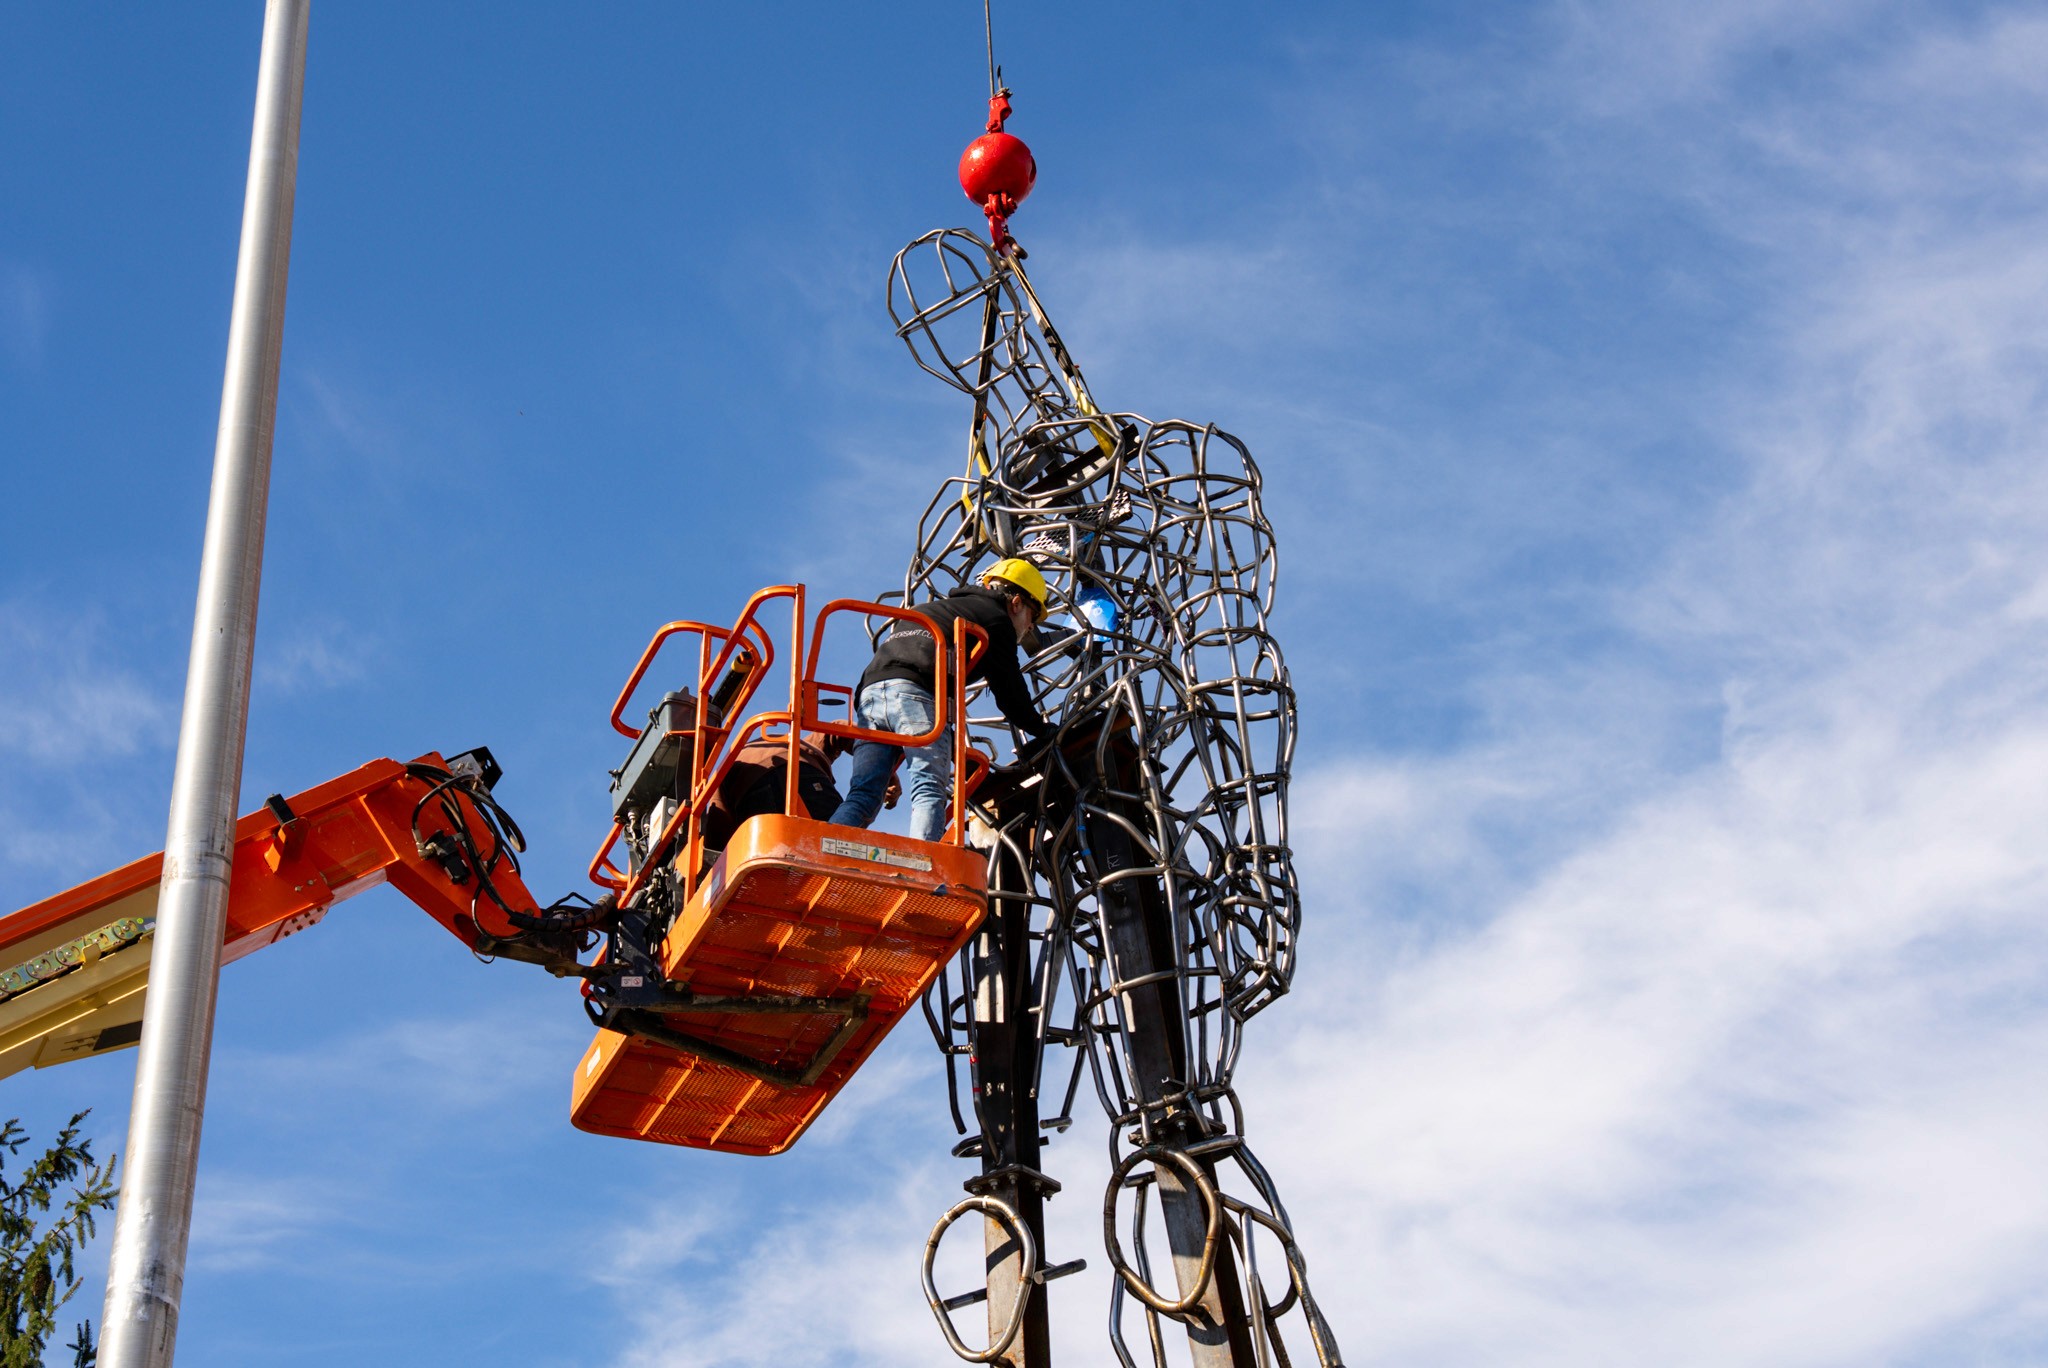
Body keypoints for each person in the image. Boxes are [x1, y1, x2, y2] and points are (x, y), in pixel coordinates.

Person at [831, 559, 1054, 842]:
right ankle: (923, 866)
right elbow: (1010, 692)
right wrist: (1043, 730)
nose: (1030, 628)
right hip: (915, 691)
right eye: (1032, 617)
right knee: (929, 788)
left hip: (870, 695)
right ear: (1017, 602)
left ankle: (820, 849)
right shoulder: (997, 621)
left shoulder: (934, 609)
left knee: (863, 794)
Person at [700, 730, 852, 853]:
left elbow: (718, 822)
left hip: (750, 796)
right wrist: (871, 750)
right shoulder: (804, 747)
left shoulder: (726, 770)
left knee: (778, 866)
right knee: (847, 849)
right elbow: (840, 728)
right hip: (799, 775)